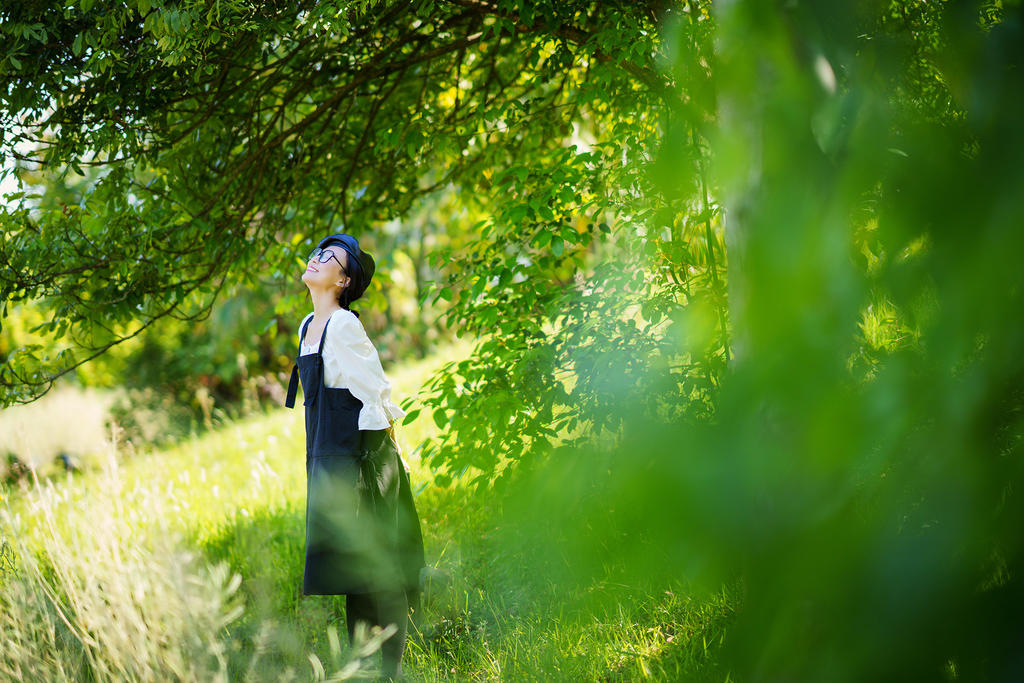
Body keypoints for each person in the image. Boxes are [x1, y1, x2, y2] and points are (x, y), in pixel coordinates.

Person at [284, 233, 425, 680]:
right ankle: (364, 670)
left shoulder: (344, 325)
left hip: (362, 459)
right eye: (316, 252)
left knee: (377, 568)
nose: (316, 258)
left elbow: (376, 393)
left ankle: (390, 672)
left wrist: (388, 464)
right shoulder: (308, 325)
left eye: (329, 257)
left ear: (343, 280)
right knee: (351, 571)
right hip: (329, 460)